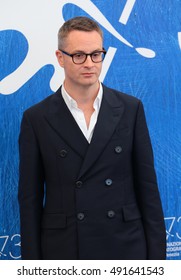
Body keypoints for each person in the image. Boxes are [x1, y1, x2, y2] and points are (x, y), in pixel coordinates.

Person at [18, 16, 166, 260]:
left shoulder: (130, 109)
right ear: (60, 58)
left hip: (125, 247)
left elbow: (148, 189)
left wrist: (158, 264)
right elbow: (29, 200)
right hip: (66, 250)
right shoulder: (36, 119)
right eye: (79, 55)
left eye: (96, 54)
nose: (89, 63)